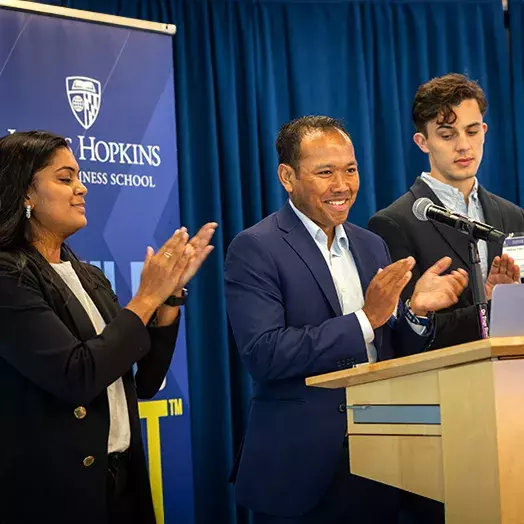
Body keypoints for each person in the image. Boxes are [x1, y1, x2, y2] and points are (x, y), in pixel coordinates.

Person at [224, 116, 468, 524]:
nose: (342, 185)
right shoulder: (255, 247)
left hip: (382, 457)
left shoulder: (371, 244)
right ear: (288, 177)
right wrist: (365, 319)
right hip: (302, 468)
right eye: (325, 172)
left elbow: (386, 347)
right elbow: (264, 354)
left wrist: (414, 313)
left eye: (350, 170)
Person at [0, 130, 217, 524]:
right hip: (53, 496)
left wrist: (168, 298)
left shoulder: (88, 276)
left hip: (121, 487)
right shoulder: (6, 275)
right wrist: (146, 298)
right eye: (64, 178)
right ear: (25, 194)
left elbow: (145, 380)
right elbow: (76, 374)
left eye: (79, 176)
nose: (81, 188)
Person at [368, 73, 524, 522]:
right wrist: (488, 310)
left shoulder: (512, 217)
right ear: (423, 141)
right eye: (447, 134)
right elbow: (407, 338)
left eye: (472, 132)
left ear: (485, 132)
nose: (463, 145)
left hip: (511, 413)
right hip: (443, 422)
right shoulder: (395, 223)